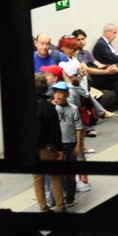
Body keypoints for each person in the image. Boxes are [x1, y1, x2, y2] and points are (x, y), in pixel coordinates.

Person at [33, 78, 69, 213]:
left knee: (38, 179)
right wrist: (60, 149)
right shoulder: (49, 107)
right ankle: (61, 206)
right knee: (55, 176)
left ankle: (43, 208)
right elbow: (55, 131)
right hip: (48, 148)